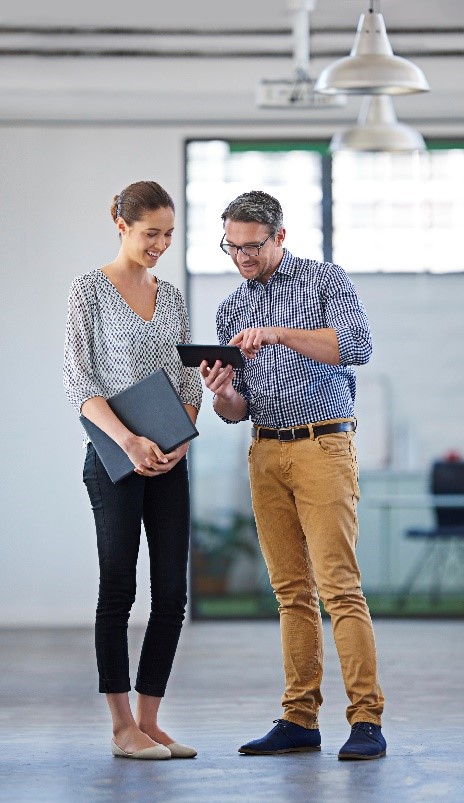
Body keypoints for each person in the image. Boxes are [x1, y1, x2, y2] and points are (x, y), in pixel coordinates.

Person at [200, 190, 386, 761]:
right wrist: (222, 393)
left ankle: (366, 719)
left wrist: (279, 332)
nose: (242, 258)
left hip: (323, 446)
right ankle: (300, 718)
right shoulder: (231, 308)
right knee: (290, 593)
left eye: (252, 246)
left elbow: (357, 346)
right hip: (265, 452)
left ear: (279, 237)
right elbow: (237, 409)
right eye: (232, 247)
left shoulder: (325, 281)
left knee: (339, 588)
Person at [63, 181, 203, 760]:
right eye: (151, 234)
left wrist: (181, 441)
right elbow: (79, 381)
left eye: (168, 235)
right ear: (120, 224)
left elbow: (187, 379)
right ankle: (122, 727)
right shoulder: (89, 290)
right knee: (118, 588)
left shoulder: (172, 297)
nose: (160, 245)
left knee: (171, 593)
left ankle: (150, 721)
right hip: (113, 461)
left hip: (168, 460)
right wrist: (128, 441)